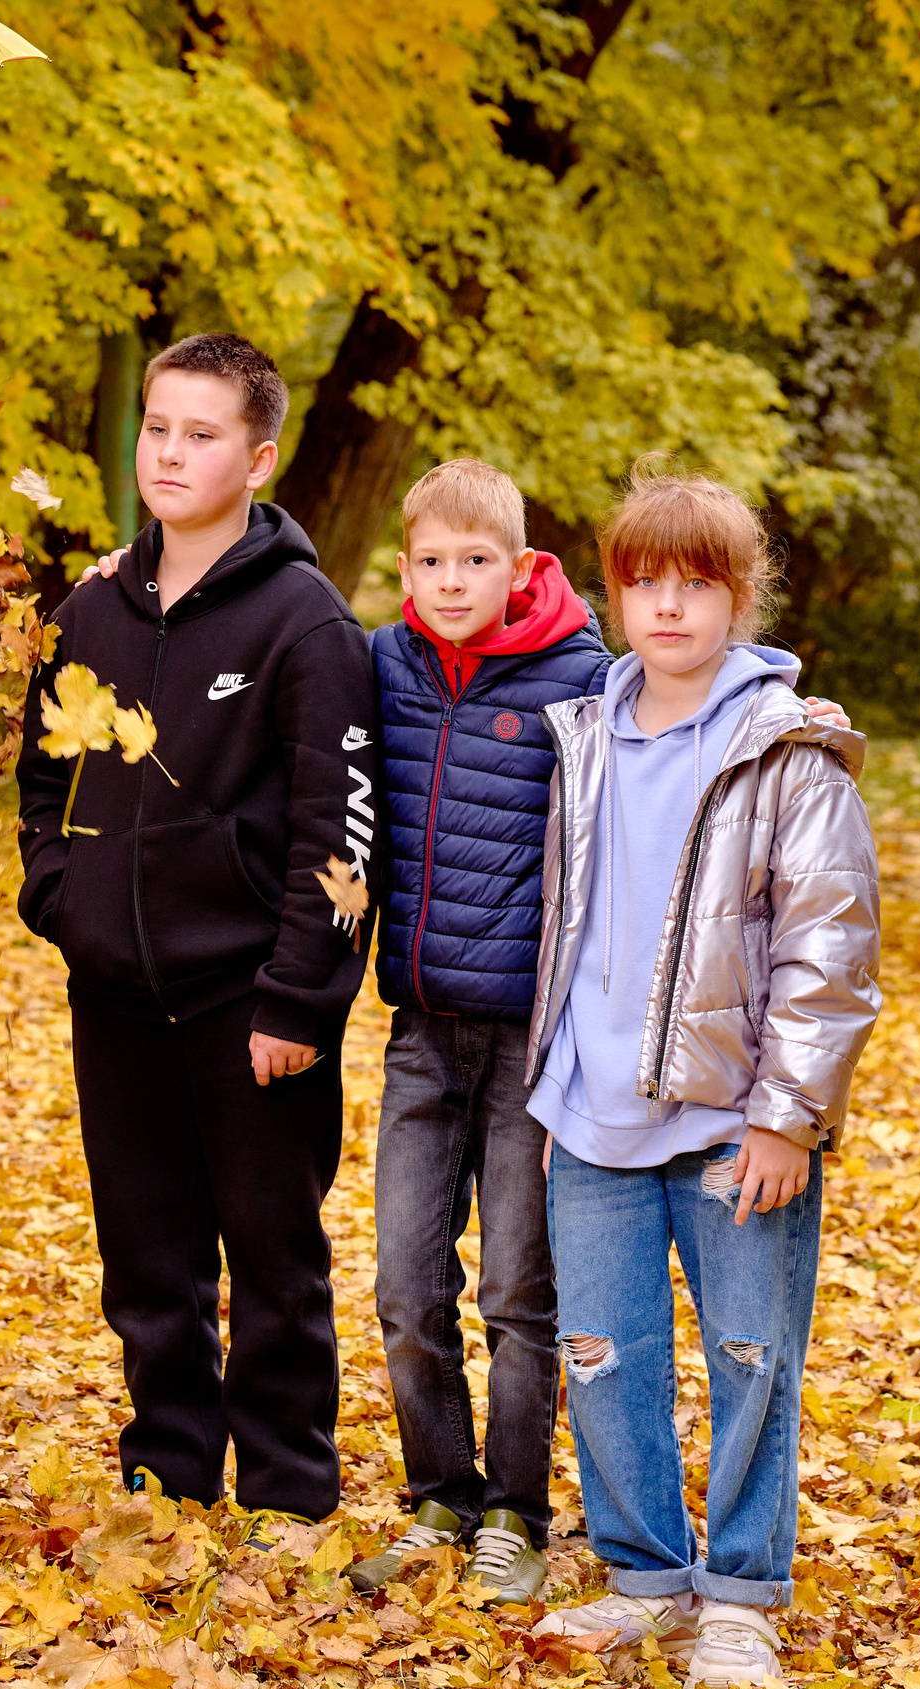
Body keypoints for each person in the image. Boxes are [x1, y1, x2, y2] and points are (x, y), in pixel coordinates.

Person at [524, 466, 882, 1686]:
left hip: (734, 1122)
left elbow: (829, 950)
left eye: (695, 584)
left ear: (740, 597)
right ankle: (644, 1578)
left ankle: (738, 1594)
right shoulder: (584, 736)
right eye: (644, 584)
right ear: (614, 596)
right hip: (591, 1118)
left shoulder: (788, 750)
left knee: (749, 1357)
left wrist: (787, 1118)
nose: (668, 607)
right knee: (602, 1356)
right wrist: (552, 1079)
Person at [15, 333, 377, 1535]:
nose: (169, 453)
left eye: (202, 435)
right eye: (158, 428)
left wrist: (299, 998)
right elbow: (42, 776)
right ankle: (168, 1477)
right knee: (146, 1258)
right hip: (115, 992)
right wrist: (59, 897)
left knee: (273, 1258)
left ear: (258, 459)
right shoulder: (91, 609)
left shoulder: (306, 624)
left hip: (249, 1002)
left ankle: (286, 1492)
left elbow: (341, 827)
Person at [344, 459, 610, 1599]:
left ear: (519, 566)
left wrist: (793, 713)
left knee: (514, 1291)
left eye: (475, 560)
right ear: (405, 568)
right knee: (405, 1286)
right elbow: (277, 674)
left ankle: (515, 1513)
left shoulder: (582, 676)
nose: (451, 582)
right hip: (419, 1030)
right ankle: (440, 1498)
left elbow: (681, 724)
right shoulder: (383, 662)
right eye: (431, 562)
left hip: (526, 1044)